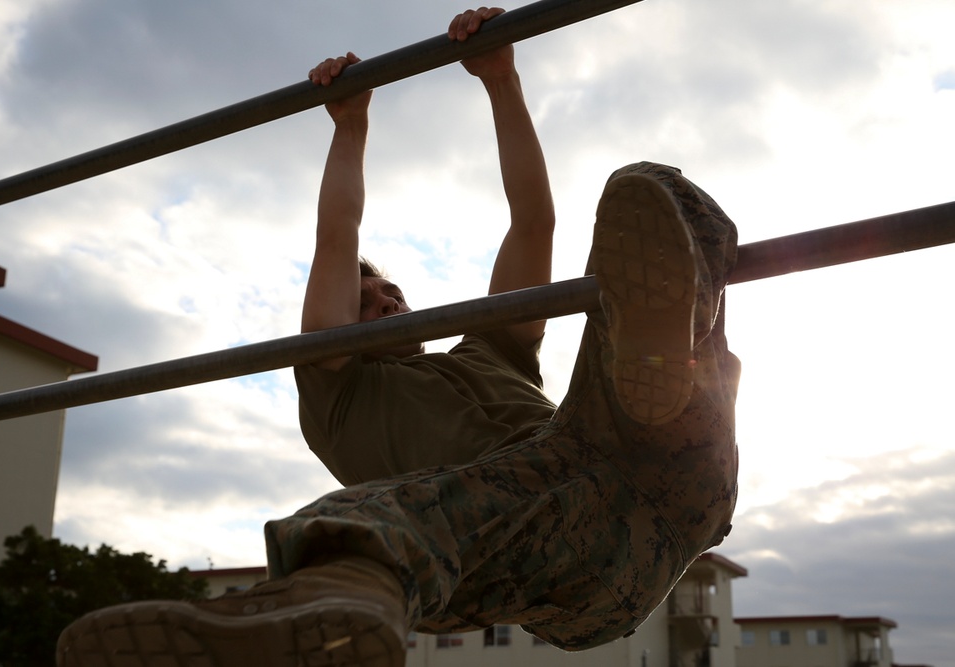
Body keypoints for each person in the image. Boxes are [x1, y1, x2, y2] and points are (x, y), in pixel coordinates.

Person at [57, 7, 741, 667]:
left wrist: (501, 78)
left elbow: (532, 220)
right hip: (560, 545)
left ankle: (664, 363)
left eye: (392, 292)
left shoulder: (490, 348)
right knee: (367, 519)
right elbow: (338, 233)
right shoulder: (341, 396)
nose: (386, 300)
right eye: (365, 302)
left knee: (648, 191)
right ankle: (312, 623)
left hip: (668, 470)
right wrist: (350, 124)